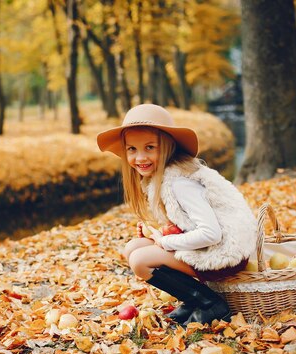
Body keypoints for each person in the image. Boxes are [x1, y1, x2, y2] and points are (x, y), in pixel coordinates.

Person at [96, 104, 256, 325]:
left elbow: (211, 234)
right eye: (132, 149)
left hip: (224, 254)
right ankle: (192, 300)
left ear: (169, 147)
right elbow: (189, 223)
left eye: (150, 147)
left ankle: (211, 305)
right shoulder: (165, 177)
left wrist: (165, 241)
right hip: (211, 247)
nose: (140, 157)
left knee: (140, 261)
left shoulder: (180, 182)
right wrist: (158, 234)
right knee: (133, 247)